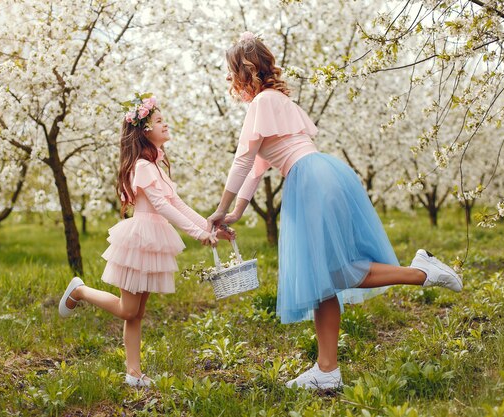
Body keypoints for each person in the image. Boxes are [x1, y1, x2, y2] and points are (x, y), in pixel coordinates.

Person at [207, 33, 463, 390]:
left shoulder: (262, 104)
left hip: (310, 182)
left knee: (335, 270)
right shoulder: (278, 101)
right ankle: (327, 371)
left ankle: (420, 272)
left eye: (233, 73)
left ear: (244, 72)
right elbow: (257, 168)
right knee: (324, 275)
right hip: (325, 174)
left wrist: (219, 210)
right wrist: (235, 212)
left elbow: (243, 160)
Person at [58, 94, 234, 388]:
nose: (166, 125)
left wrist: (212, 227)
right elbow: (161, 206)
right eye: (159, 121)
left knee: (136, 313)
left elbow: (177, 203)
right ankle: (81, 291)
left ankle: (133, 373)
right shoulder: (142, 165)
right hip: (140, 238)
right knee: (129, 309)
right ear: (144, 131)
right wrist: (198, 234)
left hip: (154, 239)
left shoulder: (156, 167)